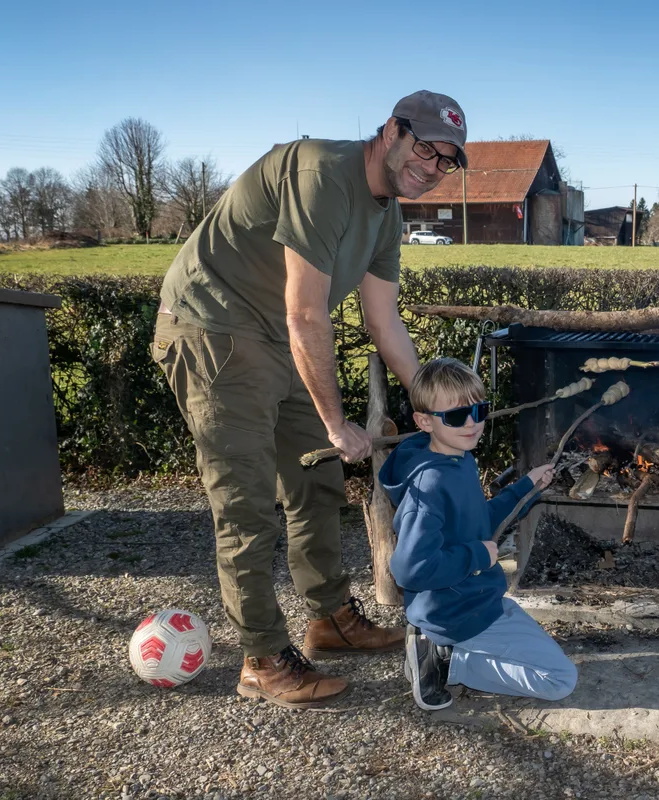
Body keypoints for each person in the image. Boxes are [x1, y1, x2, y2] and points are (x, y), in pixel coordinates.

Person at [151, 90, 470, 709]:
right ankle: (262, 657)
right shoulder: (323, 173)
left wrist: (432, 405)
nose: (431, 166)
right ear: (391, 131)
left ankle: (329, 619)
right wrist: (336, 420)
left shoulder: (387, 215)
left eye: (446, 160)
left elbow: (385, 322)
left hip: (278, 335)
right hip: (213, 327)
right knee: (245, 502)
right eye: (425, 147)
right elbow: (306, 313)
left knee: (317, 479)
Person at [380, 358, 578, 711]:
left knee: (545, 656)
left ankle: (447, 644)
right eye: (456, 416)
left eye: (480, 410)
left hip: (480, 598)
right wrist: (478, 556)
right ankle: (443, 659)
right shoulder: (431, 483)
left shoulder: (458, 458)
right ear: (424, 421)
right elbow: (409, 570)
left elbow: (476, 522)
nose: (472, 423)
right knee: (560, 680)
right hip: (456, 612)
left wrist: (524, 488)